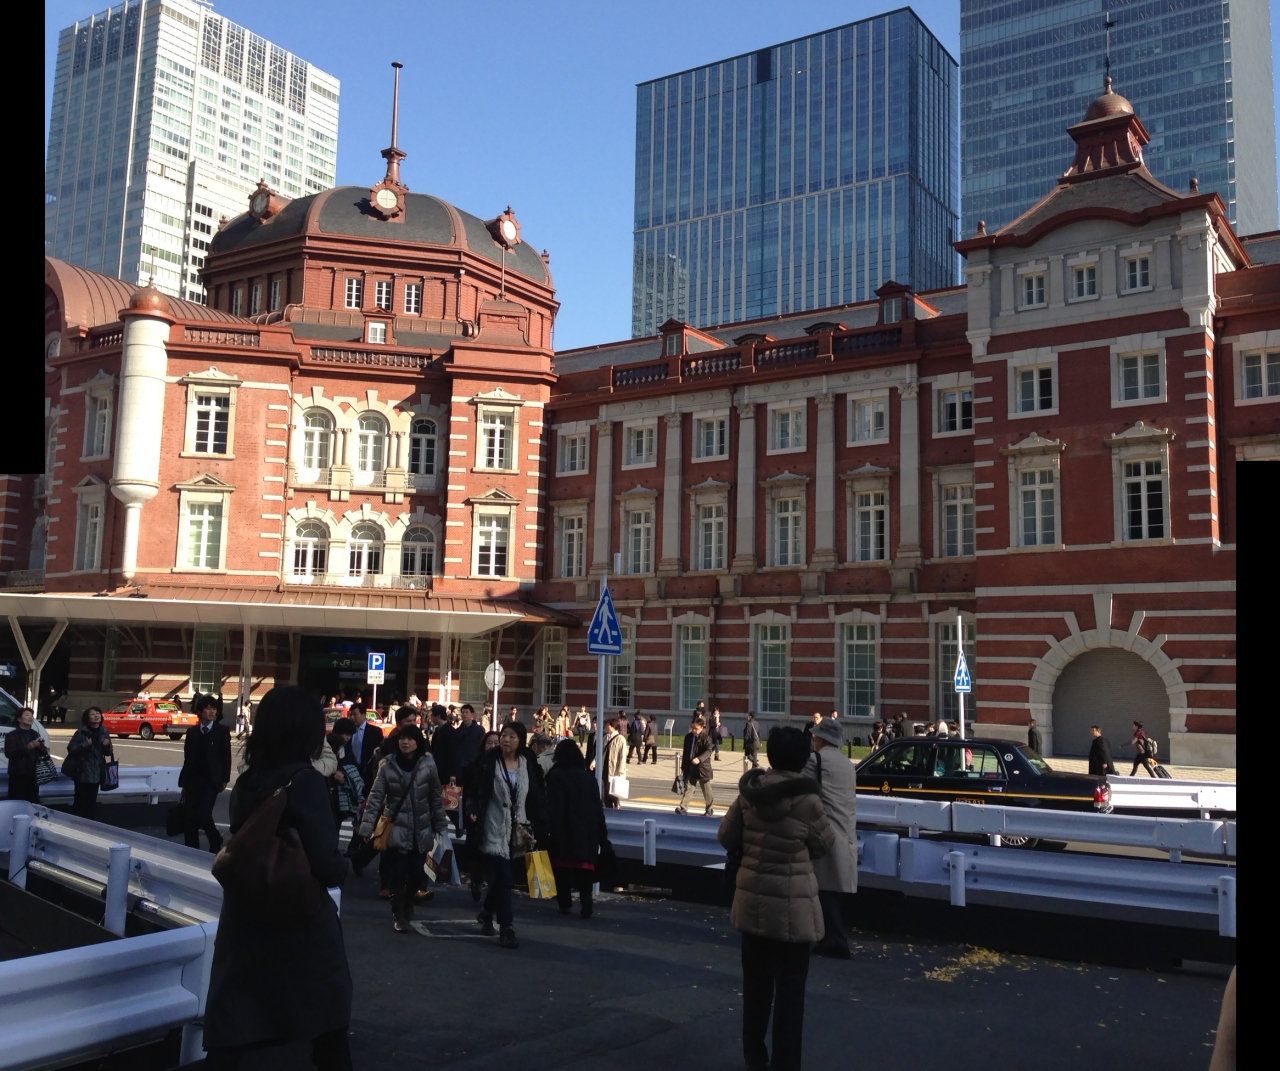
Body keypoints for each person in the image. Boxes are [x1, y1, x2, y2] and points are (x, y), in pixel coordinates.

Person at [201, 686, 352, 1071]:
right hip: (298, 921)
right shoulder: (305, 780)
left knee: (237, 1022)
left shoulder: (248, 780)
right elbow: (326, 862)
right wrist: (347, 866)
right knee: (327, 1025)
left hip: (245, 917)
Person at [718, 726, 835, 1071]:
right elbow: (824, 845)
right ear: (802, 760)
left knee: (755, 990)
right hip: (794, 907)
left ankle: (755, 1057)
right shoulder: (808, 801)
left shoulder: (750, 793)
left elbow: (726, 836)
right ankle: (786, 1063)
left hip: (753, 902)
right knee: (790, 994)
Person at [358, 724, 449, 933]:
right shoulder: (387, 766)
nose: (405, 742)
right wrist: (366, 828)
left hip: (421, 829)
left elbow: (436, 797)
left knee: (417, 872)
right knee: (397, 874)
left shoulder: (428, 764)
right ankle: (398, 913)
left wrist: (442, 826)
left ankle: (408, 901)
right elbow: (375, 798)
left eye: (409, 739)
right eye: (402, 739)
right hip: (396, 828)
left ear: (418, 742)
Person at [467, 722, 547, 949]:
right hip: (493, 825)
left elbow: (536, 795)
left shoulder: (527, 762)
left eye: (512, 736)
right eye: (504, 735)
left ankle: (486, 912)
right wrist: (473, 810)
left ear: (520, 740)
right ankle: (506, 927)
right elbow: (474, 790)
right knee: (504, 875)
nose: (506, 740)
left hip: (519, 829)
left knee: (503, 877)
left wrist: (541, 822)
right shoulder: (488, 761)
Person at [804, 718, 858, 959]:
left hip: (825, 831)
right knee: (831, 889)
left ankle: (834, 939)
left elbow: (801, 786)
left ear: (821, 738)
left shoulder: (816, 760)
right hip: (846, 831)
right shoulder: (847, 764)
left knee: (823, 889)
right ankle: (831, 937)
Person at [545, 739, 609, 919]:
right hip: (587, 830)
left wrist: (550, 829)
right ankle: (586, 899)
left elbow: (555, 806)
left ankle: (565, 903)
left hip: (564, 829)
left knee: (562, 869)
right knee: (584, 868)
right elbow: (597, 808)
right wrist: (602, 835)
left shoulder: (556, 775)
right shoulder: (589, 778)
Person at [180, 695, 232, 852]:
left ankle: (215, 838)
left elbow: (226, 757)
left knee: (203, 813)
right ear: (200, 711)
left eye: (214, 709)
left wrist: (225, 778)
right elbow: (188, 757)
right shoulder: (192, 732)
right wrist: (184, 781)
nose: (212, 712)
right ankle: (191, 850)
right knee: (190, 816)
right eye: (208, 708)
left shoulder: (222, 731)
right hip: (193, 779)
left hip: (211, 780)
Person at [64, 706, 115, 819]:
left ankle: (89, 824)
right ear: (87, 718)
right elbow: (71, 748)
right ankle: (77, 823)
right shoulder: (81, 732)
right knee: (80, 801)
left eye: (98, 713)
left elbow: (108, 753)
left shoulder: (104, 731)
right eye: (92, 714)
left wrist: (107, 746)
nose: (96, 716)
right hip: (82, 771)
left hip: (97, 772)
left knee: (92, 802)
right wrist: (85, 744)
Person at [326, 718, 364, 825]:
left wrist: (344, 773)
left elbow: (354, 765)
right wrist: (335, 772)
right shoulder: (327, 746)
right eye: (346, 734)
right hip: (329, 792)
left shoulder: (346, 748)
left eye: (350, 735)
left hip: (341, 795)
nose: (348, 738)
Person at [4, 707, 47, 803]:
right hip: (18, 773)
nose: (30, 717)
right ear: (19, 719)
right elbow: (9, 753)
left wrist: (41, 746)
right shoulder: (12, 735)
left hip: (33, 773)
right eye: (27, 715)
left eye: (32, 716)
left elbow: (43, 753)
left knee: (32, 801)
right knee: (17, 801)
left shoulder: (35, 734)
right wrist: (27, 747)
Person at [676, 716, 715, 816]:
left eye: (696, 729)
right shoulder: (688, 737)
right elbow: (686, 753)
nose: (694, 730)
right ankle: (683, 807)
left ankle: (709, 809)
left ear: (702, 728)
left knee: (706, 788)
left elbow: (708, 751)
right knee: (689, 786)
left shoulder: (706, 738)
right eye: (692, 728)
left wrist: (699, 759)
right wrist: (684, 767)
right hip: (691, 766)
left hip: (703, 767)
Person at [348, 706, 384, 788]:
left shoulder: (375, 732)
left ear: (363, 715)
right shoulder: (348, 731)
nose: (352, 718)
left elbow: (379, 752)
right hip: (350, 772)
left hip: (368, 773)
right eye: (350, 715)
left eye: (355, 715)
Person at [452, 704, 485, 782]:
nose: (464, 714)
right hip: (460, 765)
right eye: (463, 712)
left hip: (474, 764)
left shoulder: (479, 730)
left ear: (472, 714)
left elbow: (482, 746)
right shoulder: (458, 731)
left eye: (466, 712)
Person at [602, 715, 627, 808]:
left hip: (614, 770)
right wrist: (594, 762)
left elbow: (623, 756)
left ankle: (617, 804)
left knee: (614, 790)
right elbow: (601, 752)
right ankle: (608, 808)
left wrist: (621, 770)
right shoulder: (605, 738)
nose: (606, 727)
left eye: (607, 725)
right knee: (605, 791)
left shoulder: (620, 739)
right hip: (604, 768)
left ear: (613, 726)